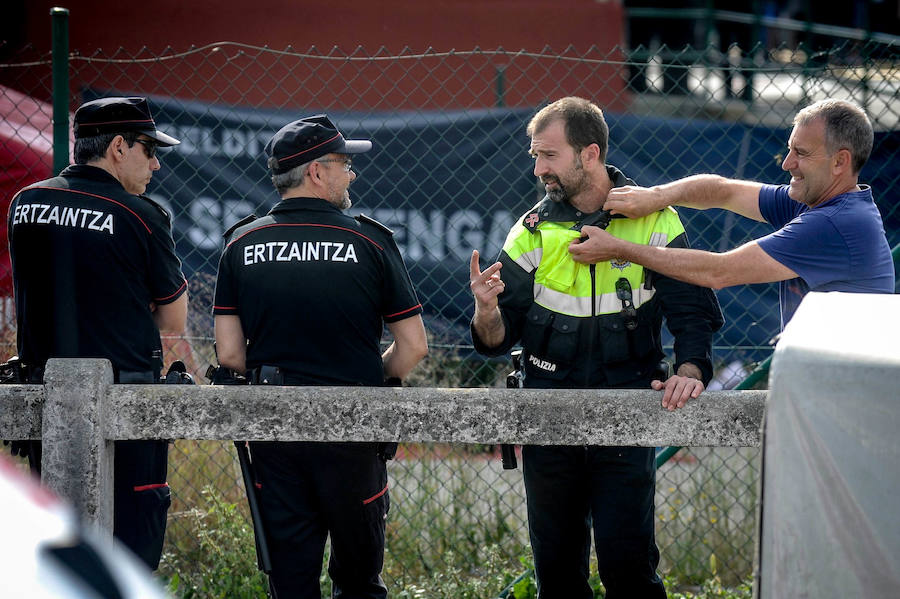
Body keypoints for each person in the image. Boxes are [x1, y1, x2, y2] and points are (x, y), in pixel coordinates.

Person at [470, 96, 723, 598]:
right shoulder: (530, 232)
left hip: (627, 410)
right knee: (558, 575)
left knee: (629, 568)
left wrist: (690, 370)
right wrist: (485, 311)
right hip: (548, 417)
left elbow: (692, 312)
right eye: (534, 156)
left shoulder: (655, 218)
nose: (538, 168)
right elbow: (498, 341)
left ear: (590, 154)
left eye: (548, 155)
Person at [213, 114, 428, 598]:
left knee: (290, 582)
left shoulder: (241, 241)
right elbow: (414, 347)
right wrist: (372, 373)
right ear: (316, 171)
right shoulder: (371, 240)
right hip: (354, 431)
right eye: (344, 164)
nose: (352, 174)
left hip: (274, 434)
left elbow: (228, 353)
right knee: (358, 581)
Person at [7, 96, 188, 569]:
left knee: (57, 549)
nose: (155, 163)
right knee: (131, 553)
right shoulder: (142, 215)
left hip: (42, 402)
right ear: (117, 147)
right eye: (149, 149)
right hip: (125, 406)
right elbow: (173, 320)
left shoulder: (25, 203)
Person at [568, 99, 895, 329]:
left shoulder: (834, 224)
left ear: (840, 162)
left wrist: (617, 248)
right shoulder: (813, 200)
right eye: (790, 149)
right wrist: (656, 196)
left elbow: (719, 272)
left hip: (842, 397)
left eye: (802, 153)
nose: (787, 163)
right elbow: (723, 190)